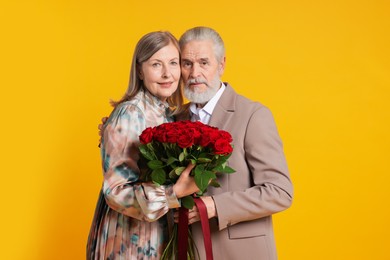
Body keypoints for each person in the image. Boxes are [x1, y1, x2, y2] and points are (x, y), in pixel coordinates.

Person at [174, 26, 294, 260]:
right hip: (186, 251)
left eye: (204, 62)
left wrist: (215, 206)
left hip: (241, 253)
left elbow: (279, 192)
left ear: (221, 65)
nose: (194, 72)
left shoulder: (253, 115)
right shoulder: (175, 118)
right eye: (186, 63)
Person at [87, 31, 199, 260]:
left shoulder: (167, 113)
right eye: (156, 64)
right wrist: (174, 193)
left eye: (173, 63)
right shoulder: (130, 113)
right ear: (139, 70)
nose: (167, 73)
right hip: (129, 243)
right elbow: (115, 191)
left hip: (159, 237)